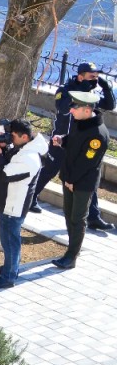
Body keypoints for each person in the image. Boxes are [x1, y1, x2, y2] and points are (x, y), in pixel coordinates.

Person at [32, 62, 116, 230]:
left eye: (97, 78)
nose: (95, 80)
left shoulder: (89, 93)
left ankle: (93, 217)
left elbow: (109, 105)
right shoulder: (65, 89)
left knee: (87, 178)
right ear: (80, 76)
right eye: (92, 77)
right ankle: (29, 198)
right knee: (50, 169)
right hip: (62, 141)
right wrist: (81, 92)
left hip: (79, 144)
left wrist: (106, 88)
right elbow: (62, 108)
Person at [52, 90, 111, 269]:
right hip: (70, 177)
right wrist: (63, 140)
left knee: (78, 218)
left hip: (81, 182)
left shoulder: (98, 135)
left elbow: (87, 163)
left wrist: (71, 181)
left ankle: (71, 256)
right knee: (68, 213)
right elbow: (75, 141)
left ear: (87, 109)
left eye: (74, 108)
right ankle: (71, 248)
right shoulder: (82, 122)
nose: (71, 111)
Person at [0, 119, 47, 289]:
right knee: (8, 241)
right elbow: (9, 164)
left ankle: (9, 277)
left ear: (25, 136)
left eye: (12, 136)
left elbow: (5, 173)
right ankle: (9, 268)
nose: (10, 138)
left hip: (13, 206)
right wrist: (4, 149)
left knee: (11, 243)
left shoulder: (29, 158)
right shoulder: (23, 149)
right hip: (8, 202)